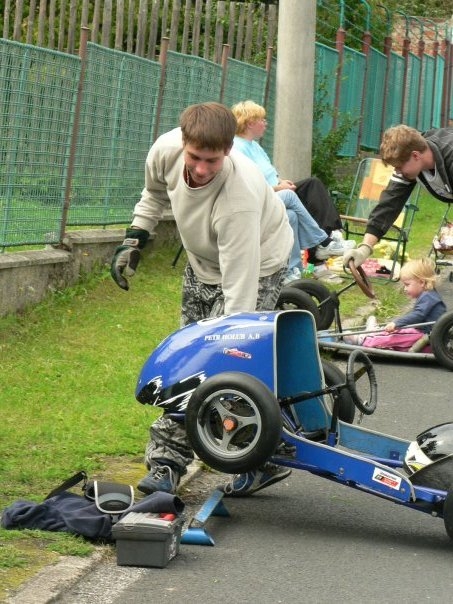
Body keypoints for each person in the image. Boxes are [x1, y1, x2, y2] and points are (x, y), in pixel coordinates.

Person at [110, 102, 293, 497]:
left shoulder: (238, 197)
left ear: (229, 149)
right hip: (202, 262)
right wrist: (134, 238)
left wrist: (228, 347)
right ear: (183, 142)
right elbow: (153, 194)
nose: (202, 168)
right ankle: (269, 453)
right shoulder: (165, 150)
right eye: (195, 157)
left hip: (258, 264)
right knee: (188, 360)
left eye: (213, 160)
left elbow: (239, 300)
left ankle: (169, 463)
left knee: (212, 364)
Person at [231, 100, 355, 285]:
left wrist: (281, 182)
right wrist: (278, 188)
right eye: (262, 120)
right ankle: (323, 243)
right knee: (290, 195)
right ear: (250, 123)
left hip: (274, 193)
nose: (266, 123)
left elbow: (269, 174)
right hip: (259, 199)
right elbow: (248, 184)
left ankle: (294, 271)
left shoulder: (255, 146)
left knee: (308, 192)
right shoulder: (237, 148)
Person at [344, 124, 453, 270]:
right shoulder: (411, 156)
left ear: (415, 156)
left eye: (399, 167)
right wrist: (365, 248)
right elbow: (389, 203)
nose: (398, 171)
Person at [343, 258, 446, 351]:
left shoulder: (428, 296)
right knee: (400, 331)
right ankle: (374, 332)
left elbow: (418, 315)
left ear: (422, 282)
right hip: (426, 334)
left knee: (396, 337)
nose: (405, 289)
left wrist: (397, 323)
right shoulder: (429, 295)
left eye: (407, 285)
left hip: (428, 338)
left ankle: (363, 340)